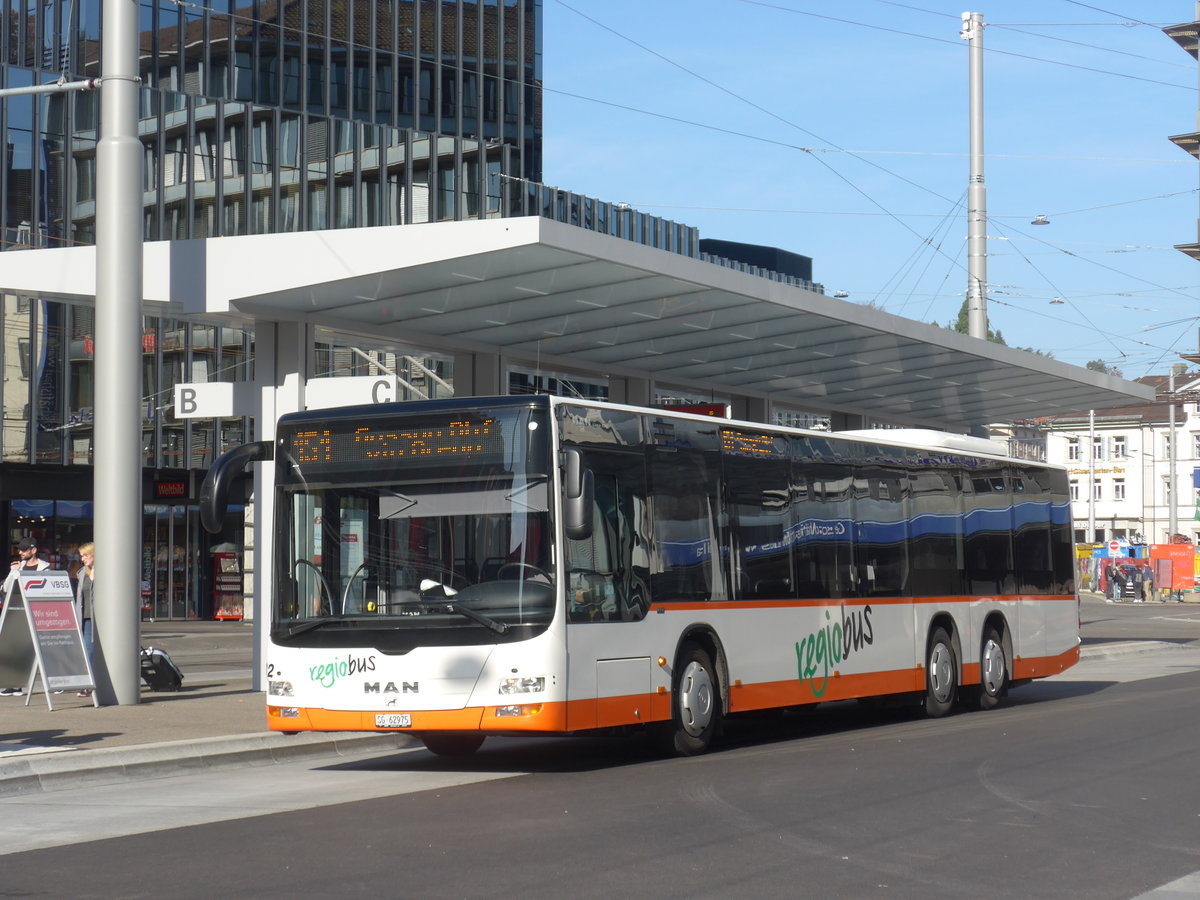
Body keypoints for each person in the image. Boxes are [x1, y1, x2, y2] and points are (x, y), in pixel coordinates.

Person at [1, 537, 51, 697]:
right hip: (18, 612)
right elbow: (7, 589)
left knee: (37, 650)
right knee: (16, 649)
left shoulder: (44, 569)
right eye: (19, 549)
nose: (20, 552)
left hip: (36, 613)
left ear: (33, 550)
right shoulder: (19, 567)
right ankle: (14, 685)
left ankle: (54, 681)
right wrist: (13, 572)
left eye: (24, 549)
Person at [74, 542, 95, 697]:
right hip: (86, 618)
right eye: (81, 556)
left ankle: (89, 685)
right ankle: (86, 685)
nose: (82, 559)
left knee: (92, 652)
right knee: (87, 651)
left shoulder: (107, 571)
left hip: (102, 619)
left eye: (85, 555)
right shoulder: (82, 573)